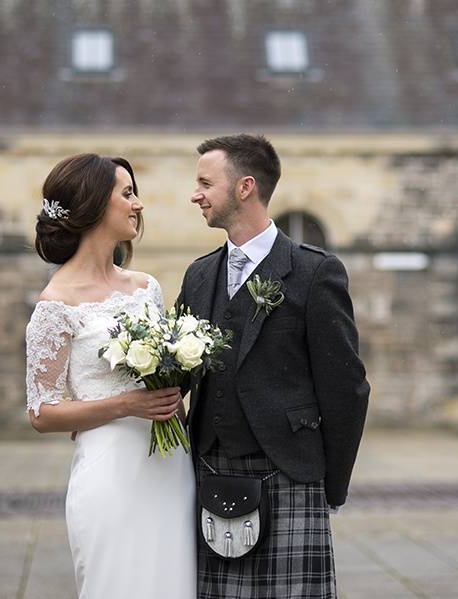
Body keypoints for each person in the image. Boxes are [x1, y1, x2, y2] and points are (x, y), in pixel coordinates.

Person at [176, 134, 370, 598]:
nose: (194, 194)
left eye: (205, 182)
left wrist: (331, 486)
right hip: (210, 467)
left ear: (245, 187)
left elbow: (346, 389)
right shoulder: (199, 274)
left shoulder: (313, 272)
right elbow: (176, 366)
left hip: (290, 472)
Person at [25, 154, 196, 599]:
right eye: (127, 193)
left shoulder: (146, 287)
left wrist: (170, 394)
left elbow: (161, 373)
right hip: (110, 471)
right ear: (95, 204)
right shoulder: (55, 305)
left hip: (170, 464)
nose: (138, 204)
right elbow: (41, 412)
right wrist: (125, 405)